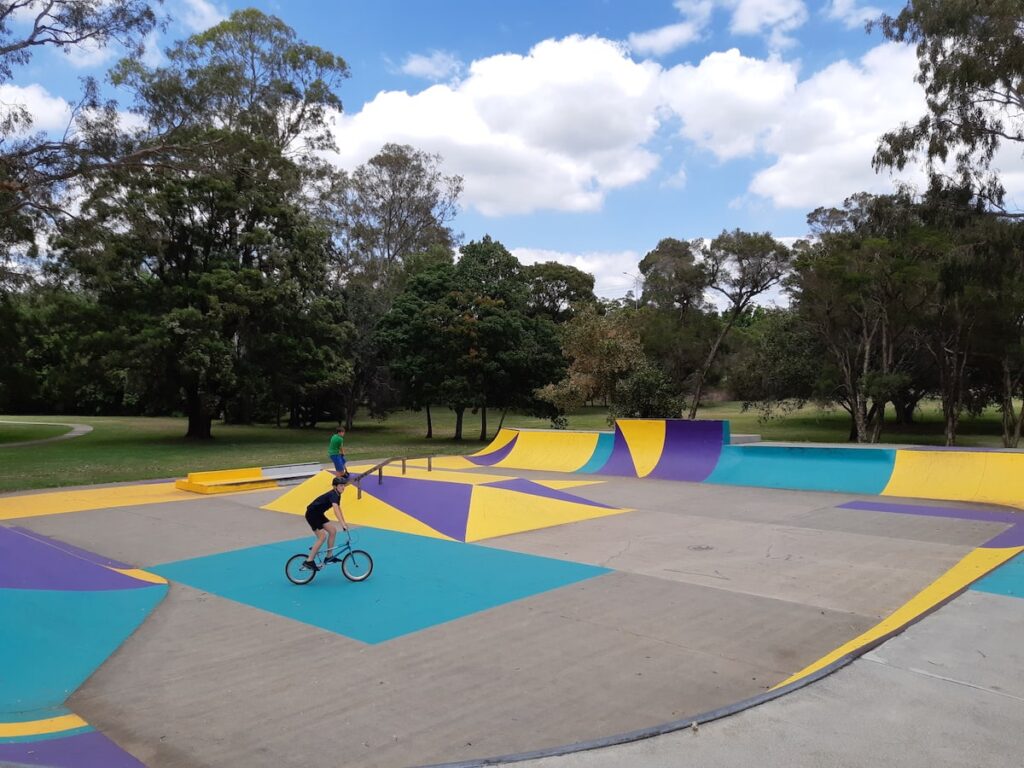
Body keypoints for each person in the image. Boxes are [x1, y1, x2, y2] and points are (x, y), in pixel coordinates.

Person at [303, 475, 350, 571]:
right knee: (322, 537)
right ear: (335, 486)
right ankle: (309, 561)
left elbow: (339, 508)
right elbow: (335, 510)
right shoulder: (333, 495)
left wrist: (344, 522)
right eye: (340, 485)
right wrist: (342, 524)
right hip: (312, 514)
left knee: (332, 531)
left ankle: (329, 557)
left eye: (343, 485)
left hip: (318, 514)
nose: (343, 487)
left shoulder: (337, 494)